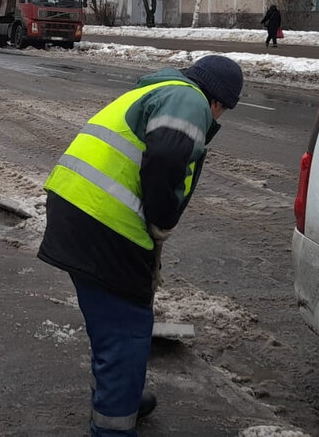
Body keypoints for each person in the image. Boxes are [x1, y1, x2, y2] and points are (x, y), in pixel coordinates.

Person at [38, 55, 243, 436]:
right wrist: (161, 220)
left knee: (110, 327)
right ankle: (113, 425)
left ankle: (120, 398)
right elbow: (166, 155)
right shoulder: (189, 100)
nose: (218, 119)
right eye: (223, 111)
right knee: (126, 332)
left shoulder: (158, 89)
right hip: (103, 224)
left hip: (79, 212)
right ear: (218, 102)